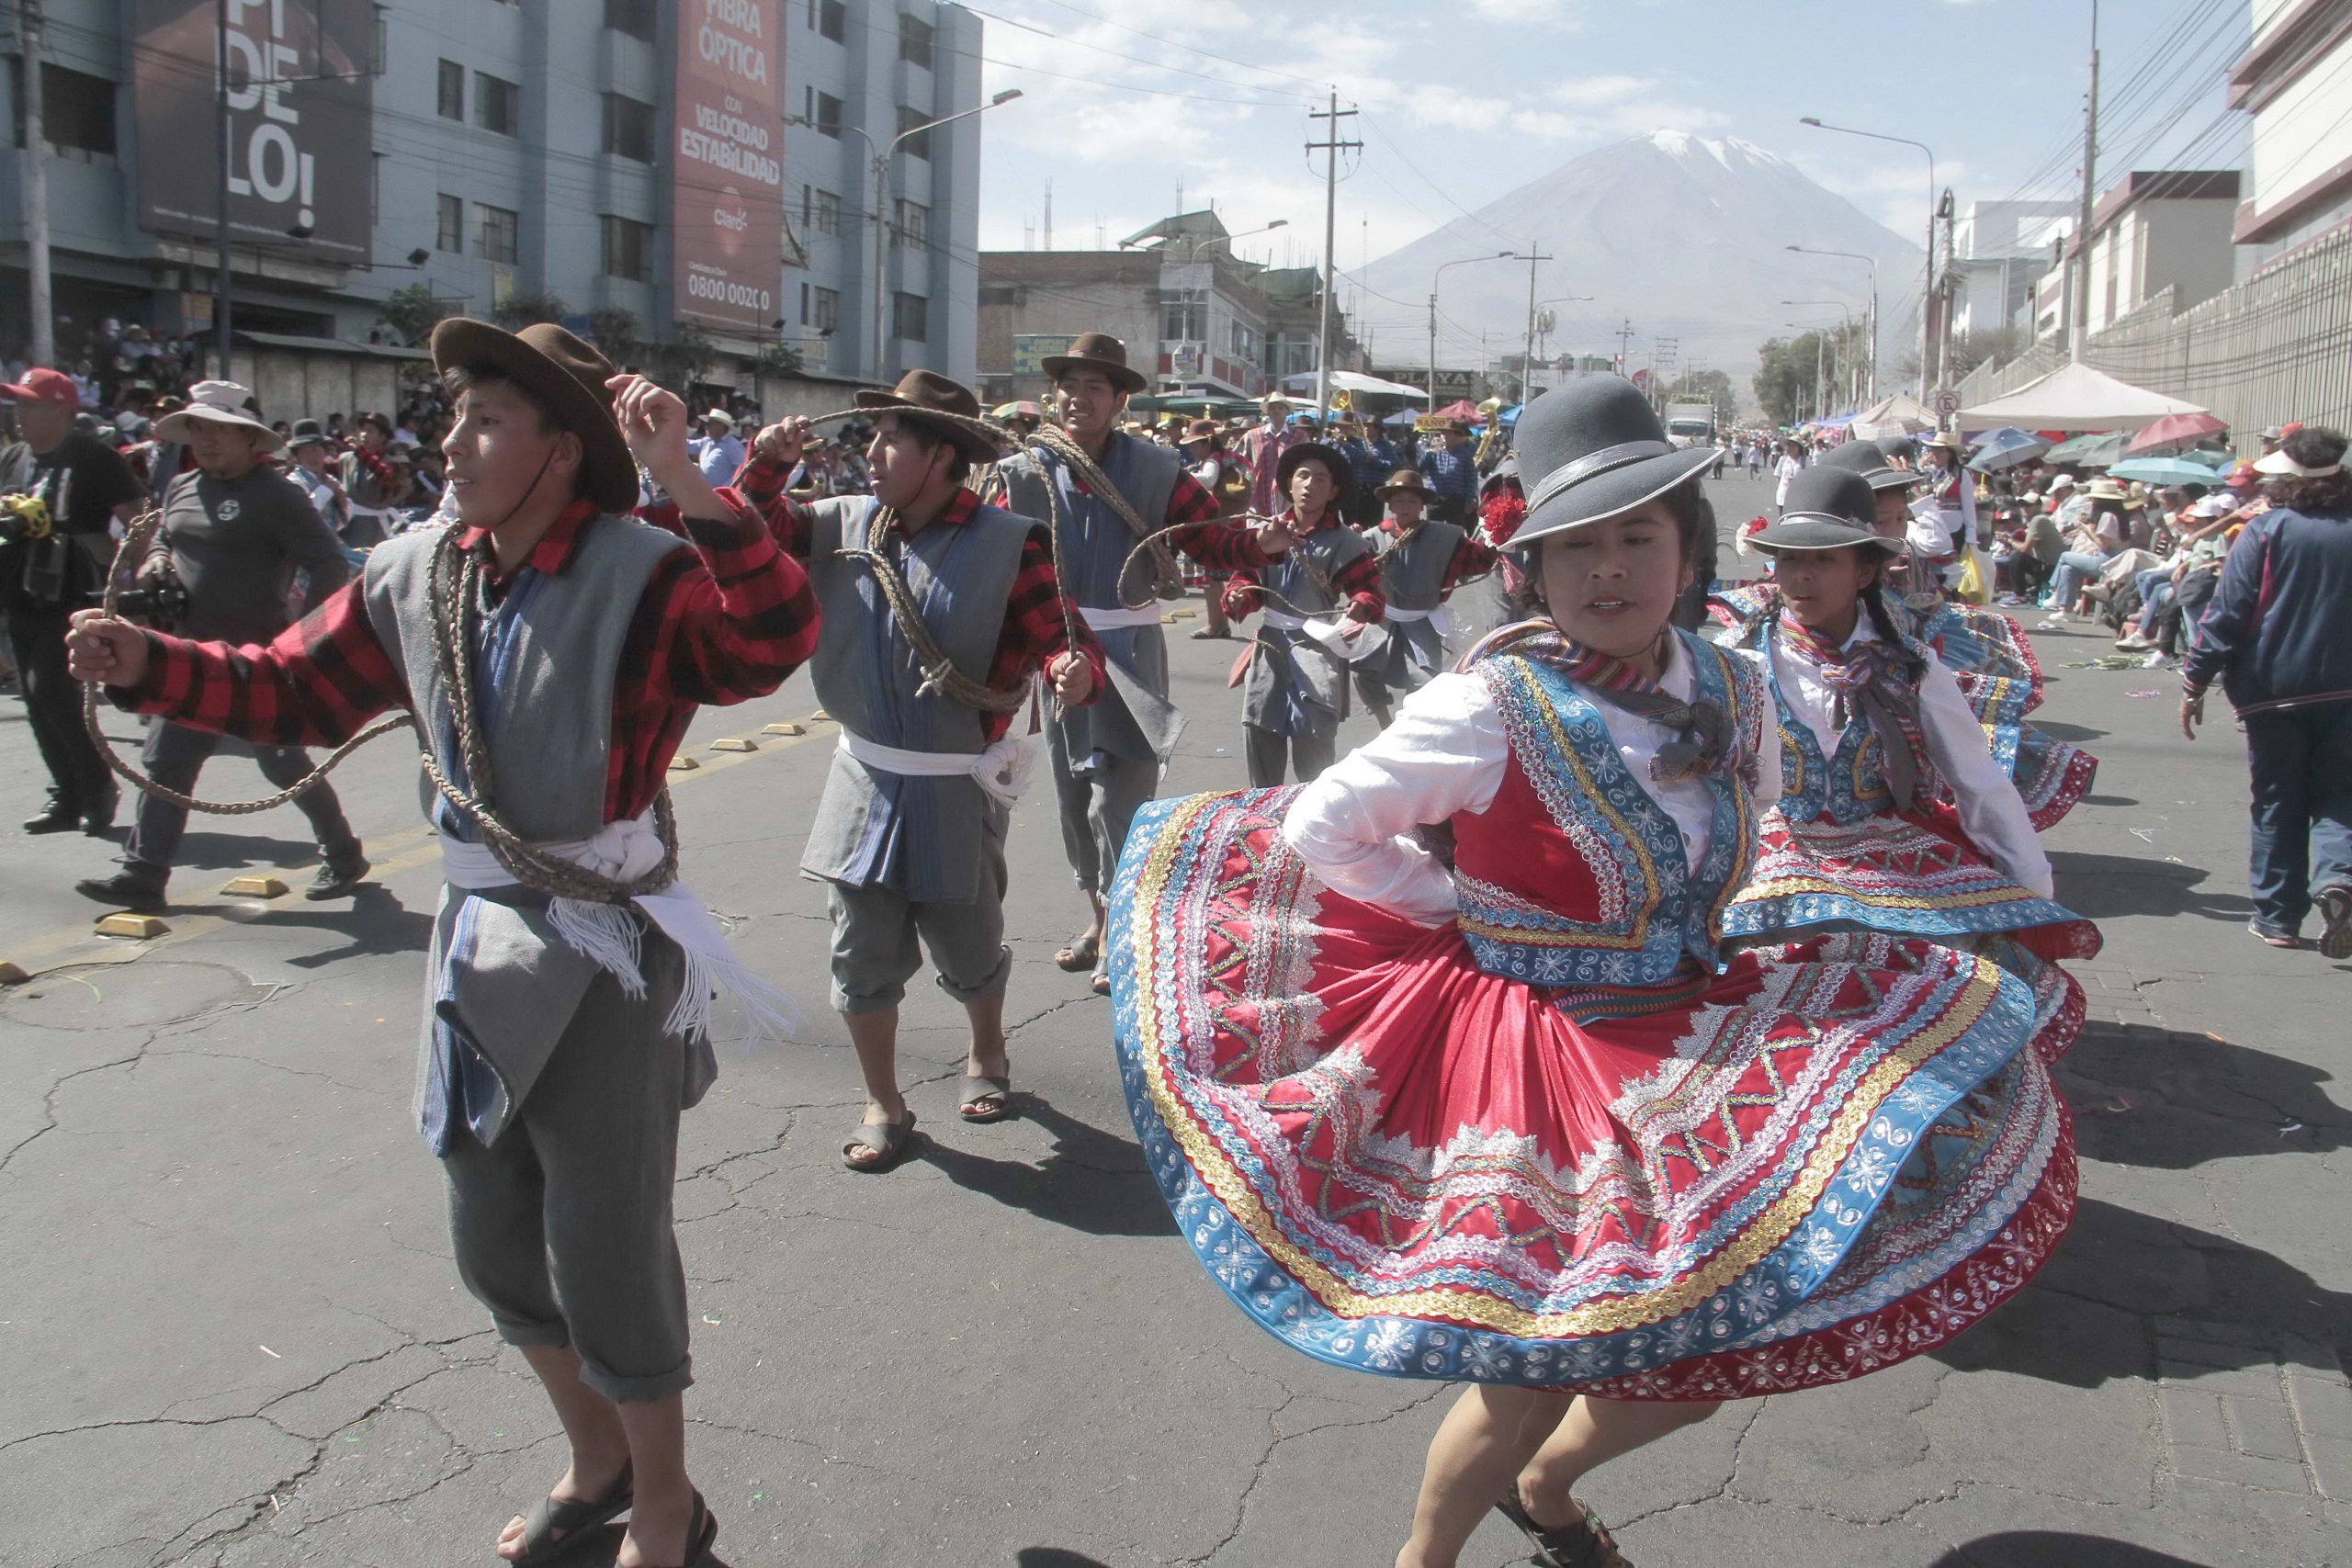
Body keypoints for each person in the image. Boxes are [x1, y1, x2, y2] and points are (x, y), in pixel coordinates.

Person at [1109, 377, 2071, 1568]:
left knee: (1697, 1357)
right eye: (1577, 546)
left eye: (1638, 536)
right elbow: (1329, 824)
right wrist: (1463, 910)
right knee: (1528, 1368)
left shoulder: (1734, 685)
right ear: (1534, 566)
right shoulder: (1490, 703)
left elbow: (1758, 816)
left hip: (1686, 1028)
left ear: (1687, 549)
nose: (1608, 568)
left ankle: (1551, 1491)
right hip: (1539, 1059)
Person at [68, 320, 820, 1568]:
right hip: (480, 935)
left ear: (564, 452)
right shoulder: (417, 566)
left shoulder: (648, 568)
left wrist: (694, 480)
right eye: (455, 414)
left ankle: (672, 1502)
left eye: (485, 419)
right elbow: (291, 687)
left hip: (607, 939)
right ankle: (599, 1457)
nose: (452, 440)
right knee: (489, 1220)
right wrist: (154, 662)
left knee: (604, 1236)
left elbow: (768, 640)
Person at [737, 372, 1102, 1169]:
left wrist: (1073, 665)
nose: (871, 452)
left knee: (968, 943)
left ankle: (988, 1050)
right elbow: (744, 535)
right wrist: (766, 465)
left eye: (890, 439)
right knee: (859, 951)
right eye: (871, 436)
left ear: (942, 455)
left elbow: (1059, 632)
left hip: (952, 781)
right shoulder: (840, 522)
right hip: (860, 778)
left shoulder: (1013, 540)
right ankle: (884, 1101)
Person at [1719, 465, 2100, 1011]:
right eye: (1791, 559)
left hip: (1884, 853)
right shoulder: (1736, 660)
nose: (1802, 576)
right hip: (1772, 852)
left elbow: (1977, 780)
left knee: (1947, 971)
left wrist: (2032, 892)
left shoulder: (1908, 666)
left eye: (1824, 559)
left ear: (1865, 572)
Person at [978, 333, 1291, 996]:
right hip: (1059, 654)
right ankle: (1098, 915)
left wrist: (1256, 543)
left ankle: (1123, 930)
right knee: (1071, 798)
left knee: (1120, 798)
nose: (1077, 397)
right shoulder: (1023, 471)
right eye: (1070, 384)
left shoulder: (1156, 470)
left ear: (1120, 400)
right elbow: (991, 558)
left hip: (1131, 655)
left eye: (1095, 387)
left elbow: (1208, 534)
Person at [71, 382, 369, 913]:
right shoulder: (181, 486)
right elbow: (163, 539)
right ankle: (144, 873)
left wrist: (309, 633)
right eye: (197, 428)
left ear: (248, 438)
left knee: (283, 766)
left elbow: (327, 559)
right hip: (184, 654)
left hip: (256, 663)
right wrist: (156, 562)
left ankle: (343, 852)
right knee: (165, 763)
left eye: (218, 429)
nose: (205, 439)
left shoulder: (277, 494)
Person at [2182, 426, 2352, 957]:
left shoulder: (2265, 532)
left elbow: (2227, 614)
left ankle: (2278, 917)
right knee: (2339, 796)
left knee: (2278, 800)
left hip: (2273, 692)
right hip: (2346, 693)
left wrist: (2196, 680)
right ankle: (2338, 879)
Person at [1, 365, 145, 834]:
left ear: (61, 411)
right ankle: (65, 795)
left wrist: (130, 574)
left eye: (30, 405)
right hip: (19, 592)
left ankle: (96, 787)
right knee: (35, 701)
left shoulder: (94, 458)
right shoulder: (14, 458)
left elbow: (138, 521)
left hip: (71, 596)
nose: (18, 414)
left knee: (56, 697)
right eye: (17, 404)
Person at [1221, 441, 1384, 785]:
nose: (1310, 484)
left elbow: (1370, 592)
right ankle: (1262, 824)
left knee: (1315, 746)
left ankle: (1313, 828)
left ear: (1334, 490)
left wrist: (1361, 606)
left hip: (1318, 651)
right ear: (1287, 485)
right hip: (1270, 650)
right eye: (1303, 476)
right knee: (1261, 731)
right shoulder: (1265, 535)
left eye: (1321, 479)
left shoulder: (1347, 544)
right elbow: (1245, 578)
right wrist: (1238, 597)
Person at [1354, 468, 1495, 728]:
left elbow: (1483, 561)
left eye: (1412, 501)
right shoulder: (1371, 537)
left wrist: (1497, 530)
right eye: (1399, 500)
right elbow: (1350, 571)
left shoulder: (1446, 537)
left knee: (1425, 682)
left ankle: (1408, 726)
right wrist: (1350, 541)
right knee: (1361, 668)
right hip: (1383, 619)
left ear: (1422, 505)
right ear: (1390, 504)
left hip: (1421, 621)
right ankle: (1385, 724)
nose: (1405, 506)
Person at [1180, 417, 1248, 641]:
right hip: (1222, 523)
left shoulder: (1213, 460)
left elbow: (1209, 481)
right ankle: (1219, 624)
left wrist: (1182, 475)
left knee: (1210, 579)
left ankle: (1215, 624)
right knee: (1213, 579)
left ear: (1207, 442)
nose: (1191, 449)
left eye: (1194, 444)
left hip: (1214, 525)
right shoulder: (1219, 458)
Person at [339, 411, 402, 547]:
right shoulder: (347, 458)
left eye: (370, 431)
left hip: (374, 528)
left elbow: (385, 477)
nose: (363, 435)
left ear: (382, 437)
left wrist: (361, 452)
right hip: (350, 525)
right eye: (362, 430)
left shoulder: (390, 463)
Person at [1238, 391, 1304, 518]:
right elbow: (1238, 462)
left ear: (1287, 411)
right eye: (1272, 408)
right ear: (1267, 411)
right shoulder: (1252, 436)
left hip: (1289, 501)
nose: (1277, 411)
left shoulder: (1300, 437)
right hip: (1257, 503)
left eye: (1280, 407)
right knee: (1256, 535)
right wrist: (1248, 481)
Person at [284, 418, 349, 533]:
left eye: (316, 450)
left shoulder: (329, 480)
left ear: (324, 451)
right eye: (306, 452)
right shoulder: (292, 483)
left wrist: (343, 502)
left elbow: (341, 521)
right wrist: (327, 489)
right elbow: (303, 515)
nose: (313, 457)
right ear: (297, 456)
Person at [1416, 418, 1479, 525]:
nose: (1443, 436)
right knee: (1433, 530)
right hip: (1435, 499)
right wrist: (1428, 452)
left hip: (1455, 500)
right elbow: (1420, 468)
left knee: (1455, 531)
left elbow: (1471, 478)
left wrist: (1469, 499)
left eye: (1447, 434)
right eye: (1442, 433)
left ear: (1456, 436)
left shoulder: (1465, 455)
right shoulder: (1434, 452)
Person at [688, 409, 743, 486]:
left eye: (710, 424)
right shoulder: (706, 441)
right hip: (705, 492)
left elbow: (741, 471)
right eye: (706, 424)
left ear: (721, 425)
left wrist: (725, 489)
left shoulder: (733, 446)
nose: (706, 426)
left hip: (722, 495)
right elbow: (687, 445)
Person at [1772, 436, 1805, 513]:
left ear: (1799, 447)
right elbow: (1778, 475)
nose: (1790, 448)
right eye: (1788, 445)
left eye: (1793, 445)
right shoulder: (1783, 459)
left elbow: (1810, 477)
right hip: (1783, 496)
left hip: (1798, 497)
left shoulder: (1805, 461)